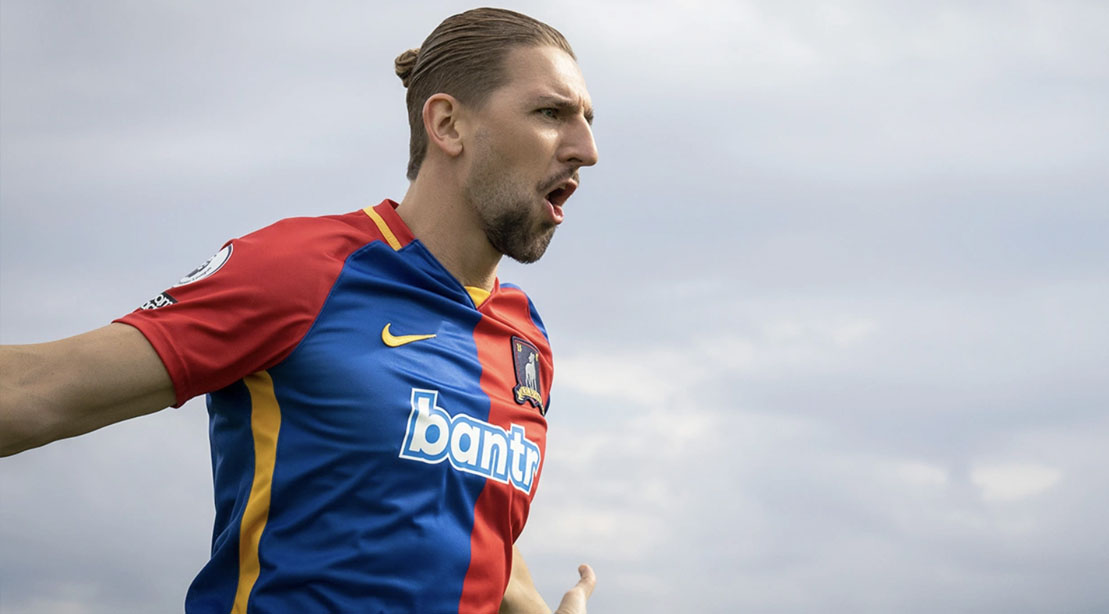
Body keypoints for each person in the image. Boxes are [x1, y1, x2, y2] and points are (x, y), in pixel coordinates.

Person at [0, 7, 599, 613]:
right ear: (447, 124)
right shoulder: (304, 268)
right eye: (551, 113)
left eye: (587, 120)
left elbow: (474, 530)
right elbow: (33, 392)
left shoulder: (526, 339)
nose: (588, 150)